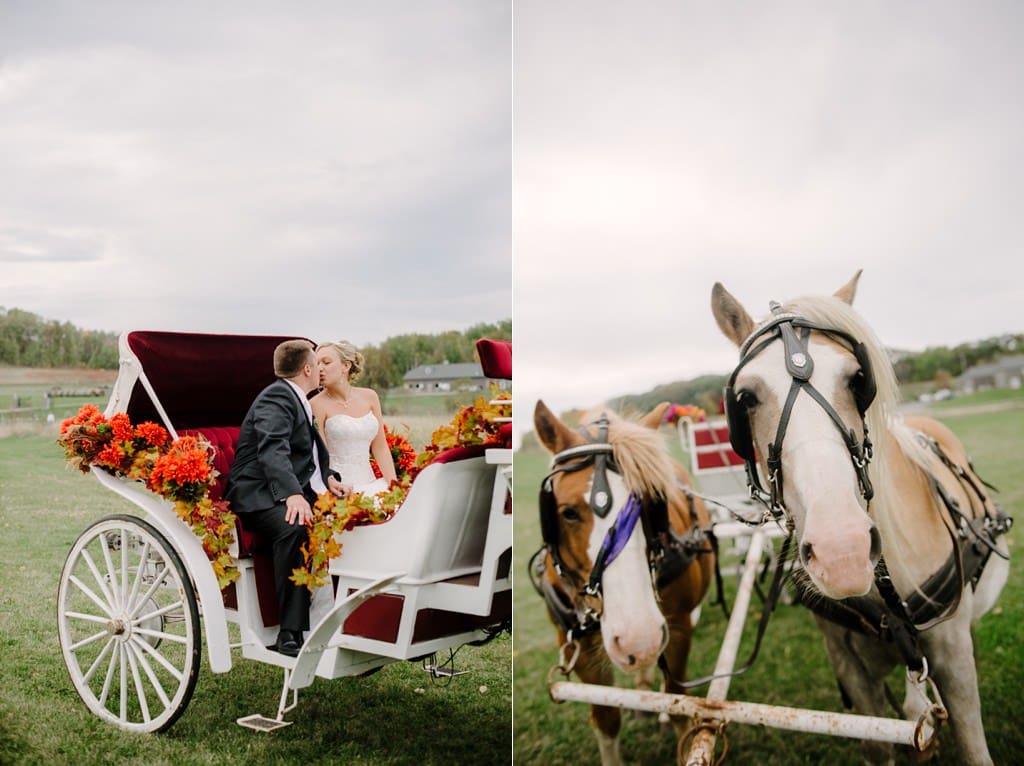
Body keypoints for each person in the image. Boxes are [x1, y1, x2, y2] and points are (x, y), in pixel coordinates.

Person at [224, 339, 347, 657]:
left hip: (286, 489)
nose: (320, 369)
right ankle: (289, 633)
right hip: (256, 494)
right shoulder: (277, 397)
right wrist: (292, 494)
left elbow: (310, 449)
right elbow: (273, 449)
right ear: (307, 368)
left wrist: (330, 478)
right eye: (316, 364)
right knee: (294, 526)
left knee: (346, 519)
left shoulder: (298, 398)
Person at [311, 340, 397, 495]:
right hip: (339, 487)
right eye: (317, 364)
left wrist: (394, 486)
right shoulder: (315, 404)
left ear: (346, 366)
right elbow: (322, 456)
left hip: (372, 484)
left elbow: (380, 448)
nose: (320, 368)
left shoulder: (370, 397)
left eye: (326, 362)